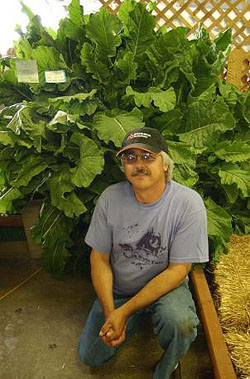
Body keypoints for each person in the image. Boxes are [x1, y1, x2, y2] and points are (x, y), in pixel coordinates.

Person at [78, 127, 209, 379]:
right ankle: (133, 317)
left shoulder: (188, 204)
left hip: (166, 289)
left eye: (148, 157)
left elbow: (178, 270)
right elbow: (99, 258)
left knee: (179, 323)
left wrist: (123, 313)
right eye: (130, 158)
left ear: (165, 165)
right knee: (90, 356)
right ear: (124, 166)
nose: (138, 165)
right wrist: (110, 312)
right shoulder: (110, 198)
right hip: (120, 290)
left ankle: (165, 367)